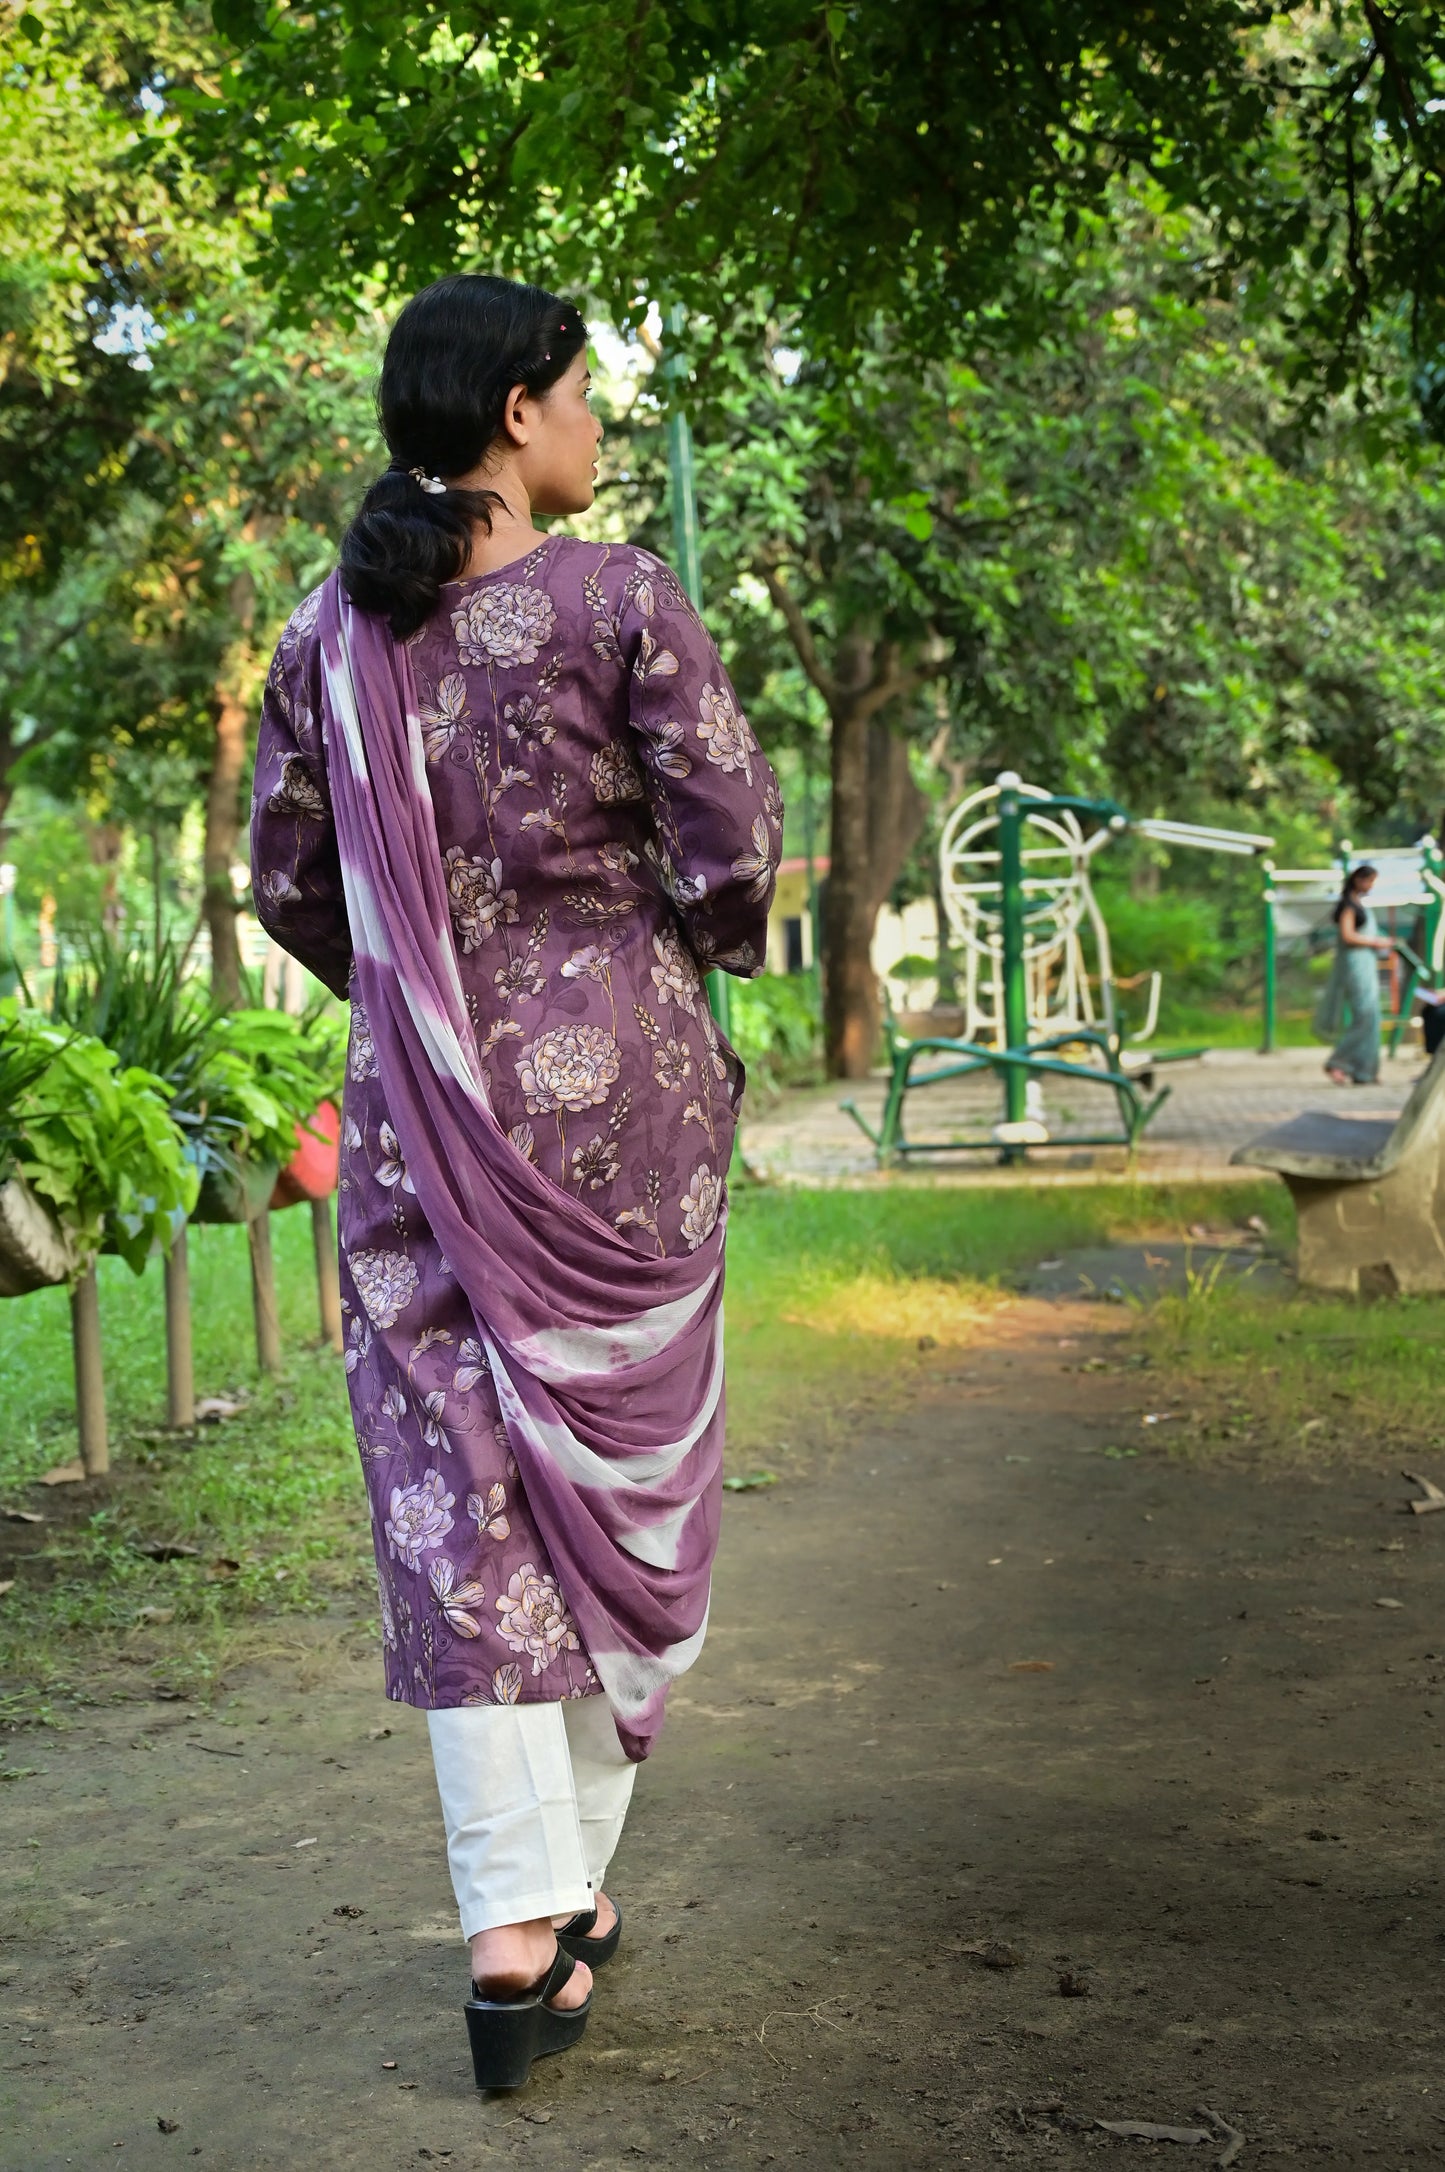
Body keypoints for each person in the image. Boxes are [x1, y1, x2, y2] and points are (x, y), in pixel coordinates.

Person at [249, 275, 782, 2090]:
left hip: (412, 1103)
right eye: (586, 390)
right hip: (617, 1105)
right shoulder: (616, 596)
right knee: (602, 1478)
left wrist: (428, 986)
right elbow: (732, 842)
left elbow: (288, 882)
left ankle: (513, 1924)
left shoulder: (327, 628)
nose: (600, 419)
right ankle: (560, 1885)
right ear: (521, 410)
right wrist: (665, 947)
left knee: (447, 1495)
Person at [1316, 863, 1392, 1085]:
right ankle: (1339, 1061)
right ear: (1358, 880)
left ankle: (1364, 1069)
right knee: (1364, 1014)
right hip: (1355, 964)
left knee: (1372, 1015)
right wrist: (1375, 941)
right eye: (1369, 881)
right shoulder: (1349, 906)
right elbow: (1348, 935)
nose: (1370, 886)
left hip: (1367, 962)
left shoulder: (1360, 904)